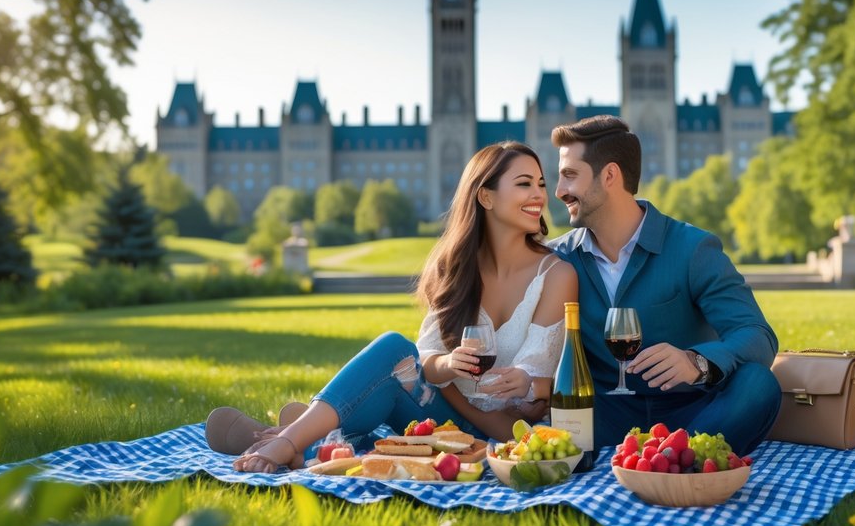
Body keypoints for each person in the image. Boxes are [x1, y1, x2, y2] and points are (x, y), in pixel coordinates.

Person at [206, 141, 578, 473]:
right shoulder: (458, 270)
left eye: (541, 183)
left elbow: (541, 388)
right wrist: (447, 365)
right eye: (525, 183)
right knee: (394, 348)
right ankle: (293, 440)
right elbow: (426, 359)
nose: (540, 195)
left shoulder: (557, 274)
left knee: (390, 377)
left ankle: (294, 437)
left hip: (513, 435)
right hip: (443, 419)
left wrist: (525, 382)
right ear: (486, 197)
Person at [550, 115, 780, 454]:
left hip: (692, 413)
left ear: (610, 175)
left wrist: (696, 361)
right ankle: (678, 462)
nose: (559, 191)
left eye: (570, 175)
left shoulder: (692, 248)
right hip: (602, 417)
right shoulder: (558, 259)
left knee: (758, 385)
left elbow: (757, 336)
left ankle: (672, 456)